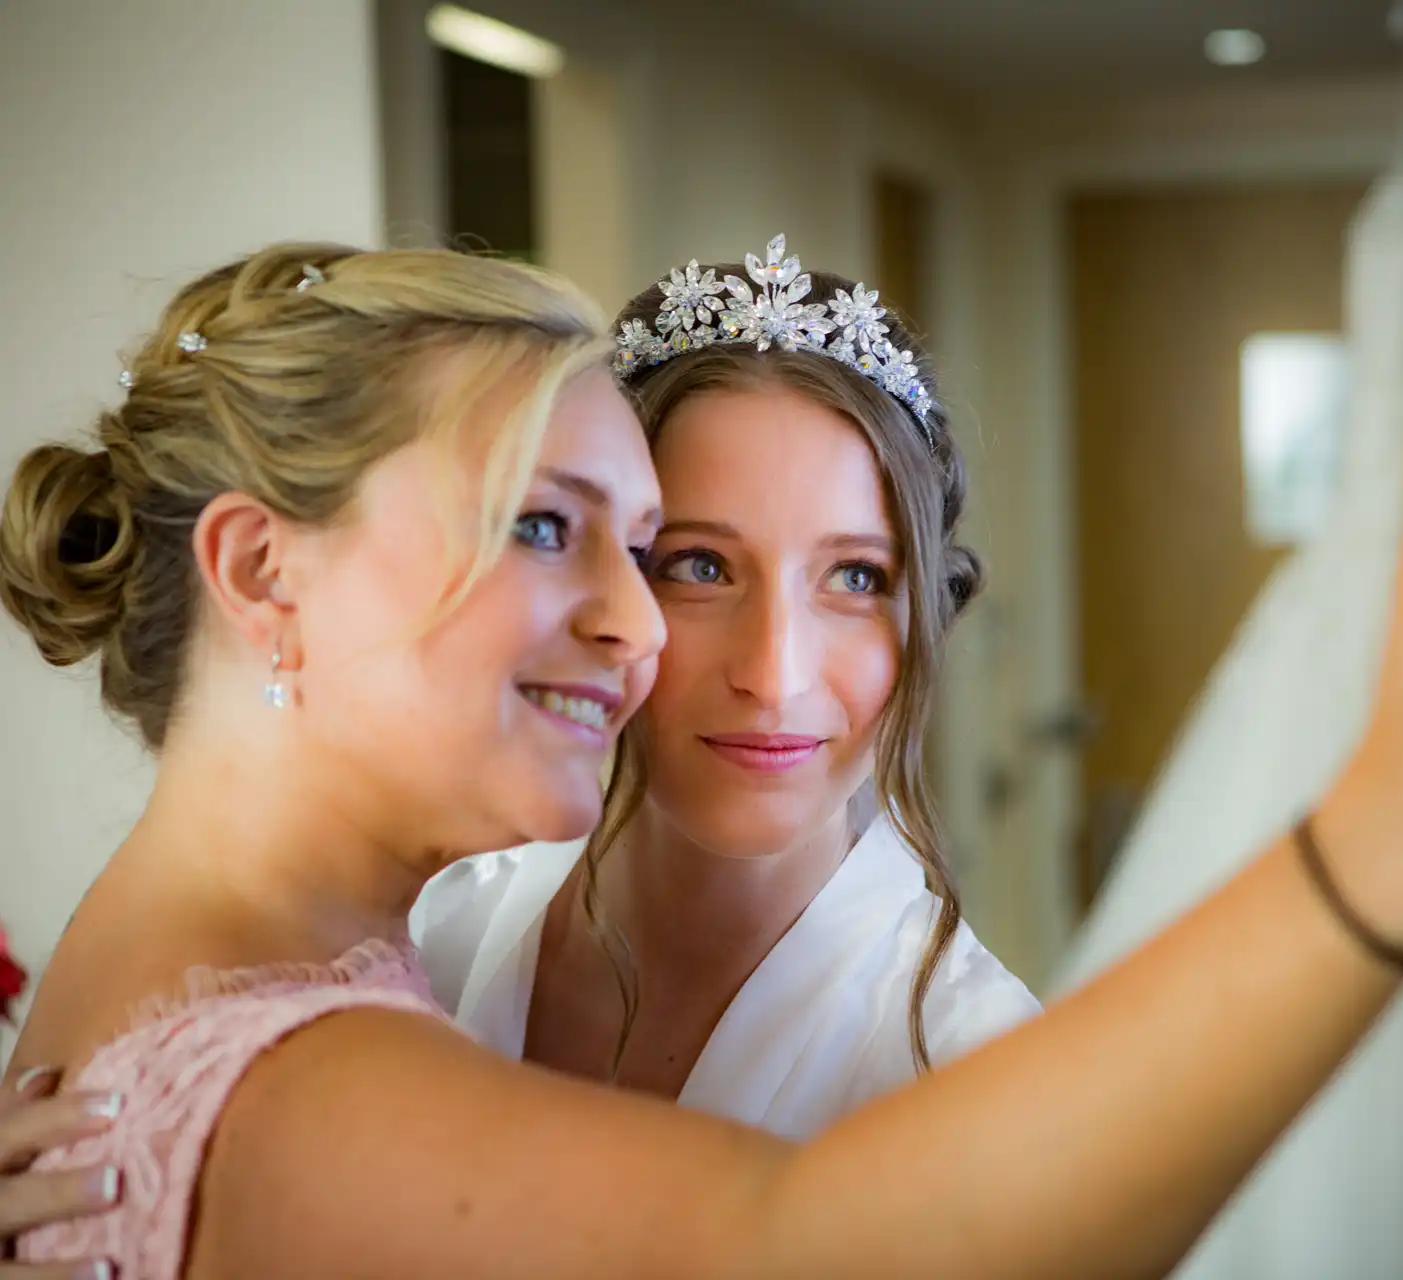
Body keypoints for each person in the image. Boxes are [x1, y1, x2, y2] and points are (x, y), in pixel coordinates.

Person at [0, 236, 1403, 1279]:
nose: (652, 632)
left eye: (856, 578)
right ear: (260, 571)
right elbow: (787, 1244)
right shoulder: (346, 1022)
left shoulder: (251, 980)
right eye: (578, 536)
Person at [408, 247, 1038, 1135]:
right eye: (699, 567)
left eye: (856, 578)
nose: (774, 676)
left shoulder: (972, 1068)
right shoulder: (434, 934)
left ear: (927, 612)